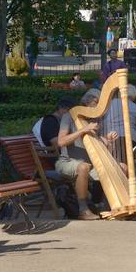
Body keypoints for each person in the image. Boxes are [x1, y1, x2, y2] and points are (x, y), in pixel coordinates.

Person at [56, 88, 114, 220]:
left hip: (90, 163)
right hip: (67, 162)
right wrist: (83, 129)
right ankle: (83, 210)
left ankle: (106, 206)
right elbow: (61, 141)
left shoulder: (94, 120)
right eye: (97, 106)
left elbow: (96, 143)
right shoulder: (69, 117)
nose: (98, 111)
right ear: (88, 103)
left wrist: (107, 139)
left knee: (119, 167)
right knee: (83, 167)